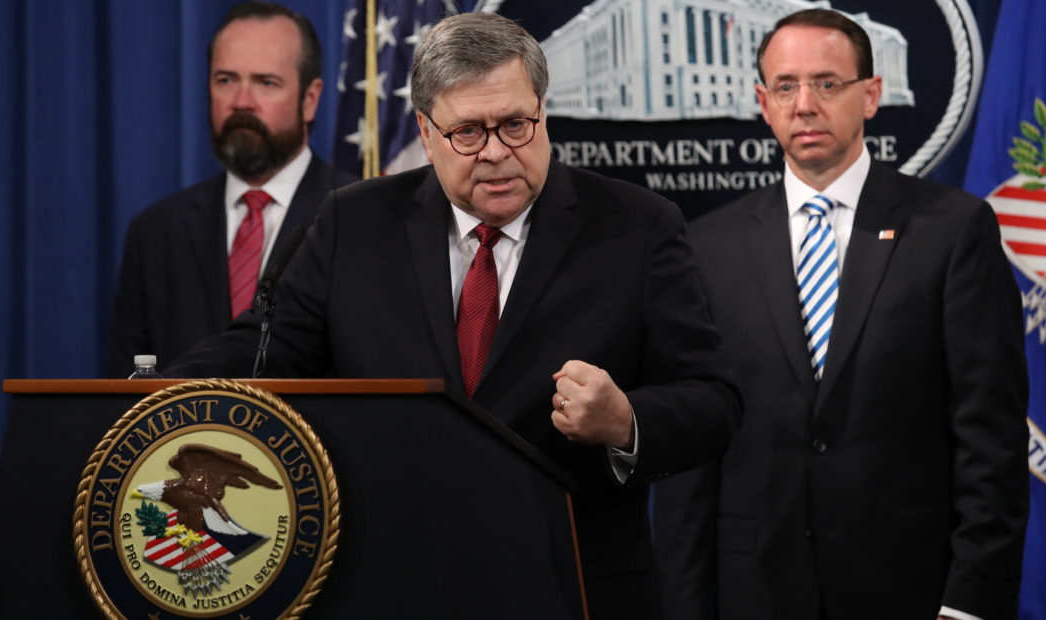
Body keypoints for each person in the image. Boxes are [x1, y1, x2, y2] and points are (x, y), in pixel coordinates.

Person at [169, 11, 738, 617]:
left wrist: (627, 421)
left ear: (542, 111)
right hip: (390, 584)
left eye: (516, 124)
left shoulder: (636, 227)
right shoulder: (354, 224)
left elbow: (713, 399)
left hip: (570, 586)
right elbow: (264, 345)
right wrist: (153, 394)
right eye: (468, 132)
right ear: (426, 128)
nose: (497, 153)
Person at [654, 8, 1028, 620]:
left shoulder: (952, 232)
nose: (805, 104)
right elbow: (691, 455)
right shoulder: (706, 248)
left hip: (910, 590)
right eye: (785, 86)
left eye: (827, 83)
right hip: (756, 592)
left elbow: (992, 441)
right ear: (763, 101)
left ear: (871, 95)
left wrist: (969, 604)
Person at [107, 1, 354, 376]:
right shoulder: (156, 231)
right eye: (226, 80)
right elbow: (124, 395)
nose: (241, 102)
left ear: (310, 99)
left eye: (265, 83)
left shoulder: (357, 219)